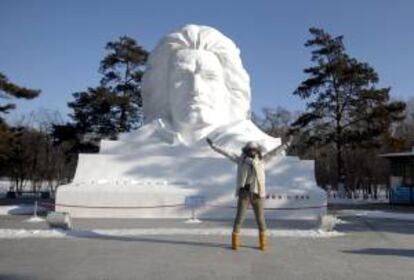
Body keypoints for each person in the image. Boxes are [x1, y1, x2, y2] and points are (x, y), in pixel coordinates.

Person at [206, 137, 292, 251]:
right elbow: (227, 153)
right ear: (246, 150)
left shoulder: (262, 160)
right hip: (244, 194)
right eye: (250, 149)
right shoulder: (240, 160)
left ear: (257, 150)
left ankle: (263, 243)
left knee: (261, 219)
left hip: (257, 194)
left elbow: (274, 152)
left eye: (254, 149)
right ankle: (235, 242)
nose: (252, 151)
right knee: (239, 218)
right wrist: (214, 146)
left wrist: (286, 144)